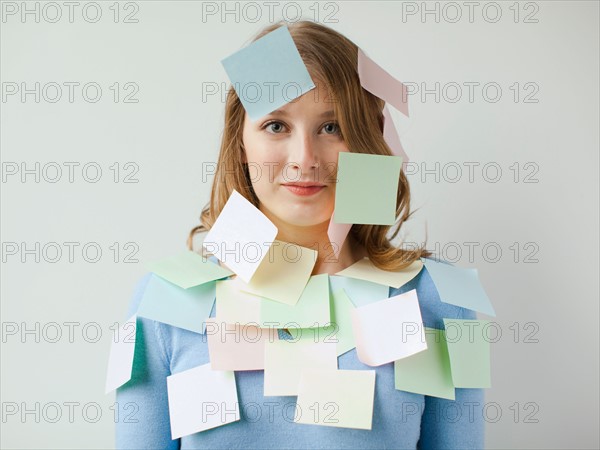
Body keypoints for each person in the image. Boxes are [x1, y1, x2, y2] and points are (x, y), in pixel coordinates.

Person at [116, 20, 485, 449]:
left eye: (332, 127)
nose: (304, 158)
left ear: (369, 140)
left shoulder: (437, 298)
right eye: (276, 125)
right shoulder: (167, 303)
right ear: (241, 143)